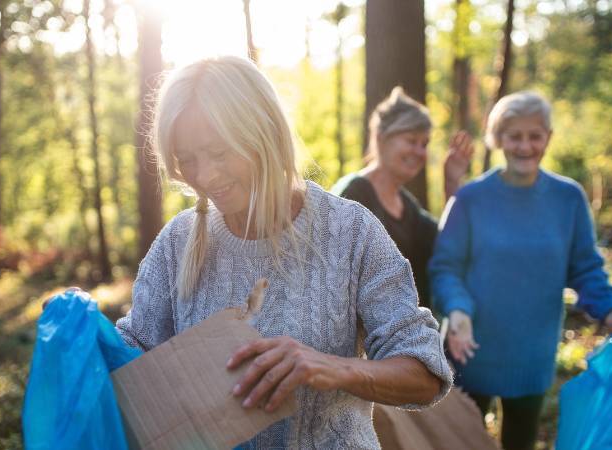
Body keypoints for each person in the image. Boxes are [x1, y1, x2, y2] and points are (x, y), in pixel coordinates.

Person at [113, 56, 453, 449]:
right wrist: (81, 348)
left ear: (264, 132)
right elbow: (132, 363)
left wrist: (336, 368)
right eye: (187, 159)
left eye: (220, 152)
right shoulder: (178, 242)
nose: (203, 176)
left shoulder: (349, 231)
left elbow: (424, 375)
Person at [428, 91, 612, 450]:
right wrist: (459, 309)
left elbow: (585, 268)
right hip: (470, 348)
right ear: (497, 140)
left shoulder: (568, 198)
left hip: (532, 353)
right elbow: (446, 267)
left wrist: (611, 309)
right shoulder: (470, 198)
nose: (525, 146)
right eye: (514, 136)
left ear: (548, 138)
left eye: (534, 136)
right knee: (460, 442)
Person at [332, 87, 473, 307]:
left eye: (424, 144)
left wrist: (451, 183)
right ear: (381, 138)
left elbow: (450, 245)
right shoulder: (352, 195)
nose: (419, 151)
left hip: (409, 336)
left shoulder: (408, 207)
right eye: (411, 140)